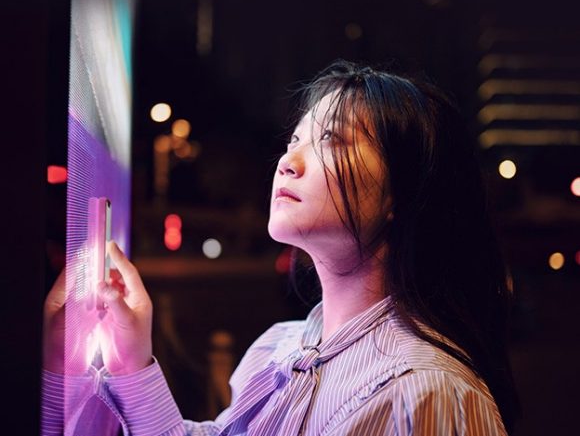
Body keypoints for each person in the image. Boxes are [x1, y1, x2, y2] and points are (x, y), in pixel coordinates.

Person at [42, 60, 520, 435]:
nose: (287, 162)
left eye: (331, 141)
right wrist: (130, 362)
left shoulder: (425, 395)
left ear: (404, 193)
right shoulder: (279, 348)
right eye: (295, 139)